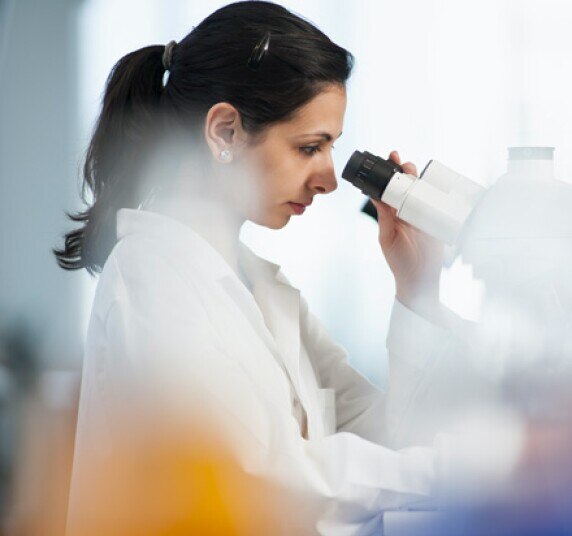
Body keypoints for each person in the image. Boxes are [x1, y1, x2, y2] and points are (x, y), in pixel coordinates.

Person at [55, 2, 468, 534]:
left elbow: (389, 438)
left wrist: (417, 290)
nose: (329, 180)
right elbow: (256, 475)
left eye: (332, 148)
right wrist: (461, 470)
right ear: (224, 132)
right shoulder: (151, 279)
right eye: (309, 147)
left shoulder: (261, 288)